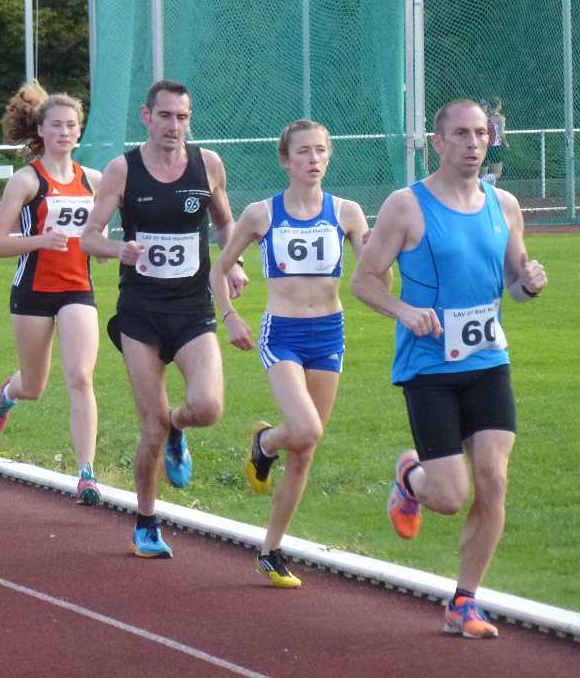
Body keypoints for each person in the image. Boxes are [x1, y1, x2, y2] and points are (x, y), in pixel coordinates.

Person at [351, 99, 547, 639]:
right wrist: (403, 310)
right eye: (461, 134)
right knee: (450, 496)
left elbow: (515, 285)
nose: (473, 143)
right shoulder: (406, 206)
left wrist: (529, 283)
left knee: (495, 479)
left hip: (488, 359)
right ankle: (411, 478)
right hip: (429, 366)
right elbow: (363, 280)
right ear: (437, 142)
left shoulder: (504, 205)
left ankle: (464, 600)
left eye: (481, 133)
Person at [210, 120, 383, 588]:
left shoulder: (347, 213)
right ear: (285, 160)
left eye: (320, 150)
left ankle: (271, 550)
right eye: (303, 151)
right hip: (282, 333)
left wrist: (380, 256)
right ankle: (266, 443)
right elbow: (218, 271)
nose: (313, 159)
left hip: (329, 333)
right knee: (304, 429)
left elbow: (374, 281)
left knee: (305, 450)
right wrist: (231, 317)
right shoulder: (261, 214)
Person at [80, 79, 247, 558]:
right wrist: (118, 249)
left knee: (208, 407)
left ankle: (179, 426)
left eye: (183, 117)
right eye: (166, 116)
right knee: (149, 428)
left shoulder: (207, 164)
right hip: (141, 313)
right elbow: (89, 237)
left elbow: (224, 222)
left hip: (193, 309)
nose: (175, 126)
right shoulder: (123, 170)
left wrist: (233, 260)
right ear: (146, 117)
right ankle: (147, 523)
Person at [0, 82, 104, 505]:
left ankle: (86, 474)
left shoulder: (94, 181)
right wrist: (39, 241)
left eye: (71, 125)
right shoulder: (26, 181)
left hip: (78, 290)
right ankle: (7, 394)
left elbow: (99, 239)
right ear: (41, 129)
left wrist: (106, 247)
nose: (64, 132)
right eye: (56, 125)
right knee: (34, 386)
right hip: (33, 292)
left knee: (81, 377)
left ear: (80, 130)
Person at [482, 97, 508, 184]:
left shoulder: (484, 117)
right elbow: (501, 134)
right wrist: (506, 144)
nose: (501, 106)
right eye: (500, 104)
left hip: (483, 146)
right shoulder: (500, 118)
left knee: (483, 173)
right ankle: (483, 181)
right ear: (497, 105)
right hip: (495, 147)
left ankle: (483, 184)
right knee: (497, 173)